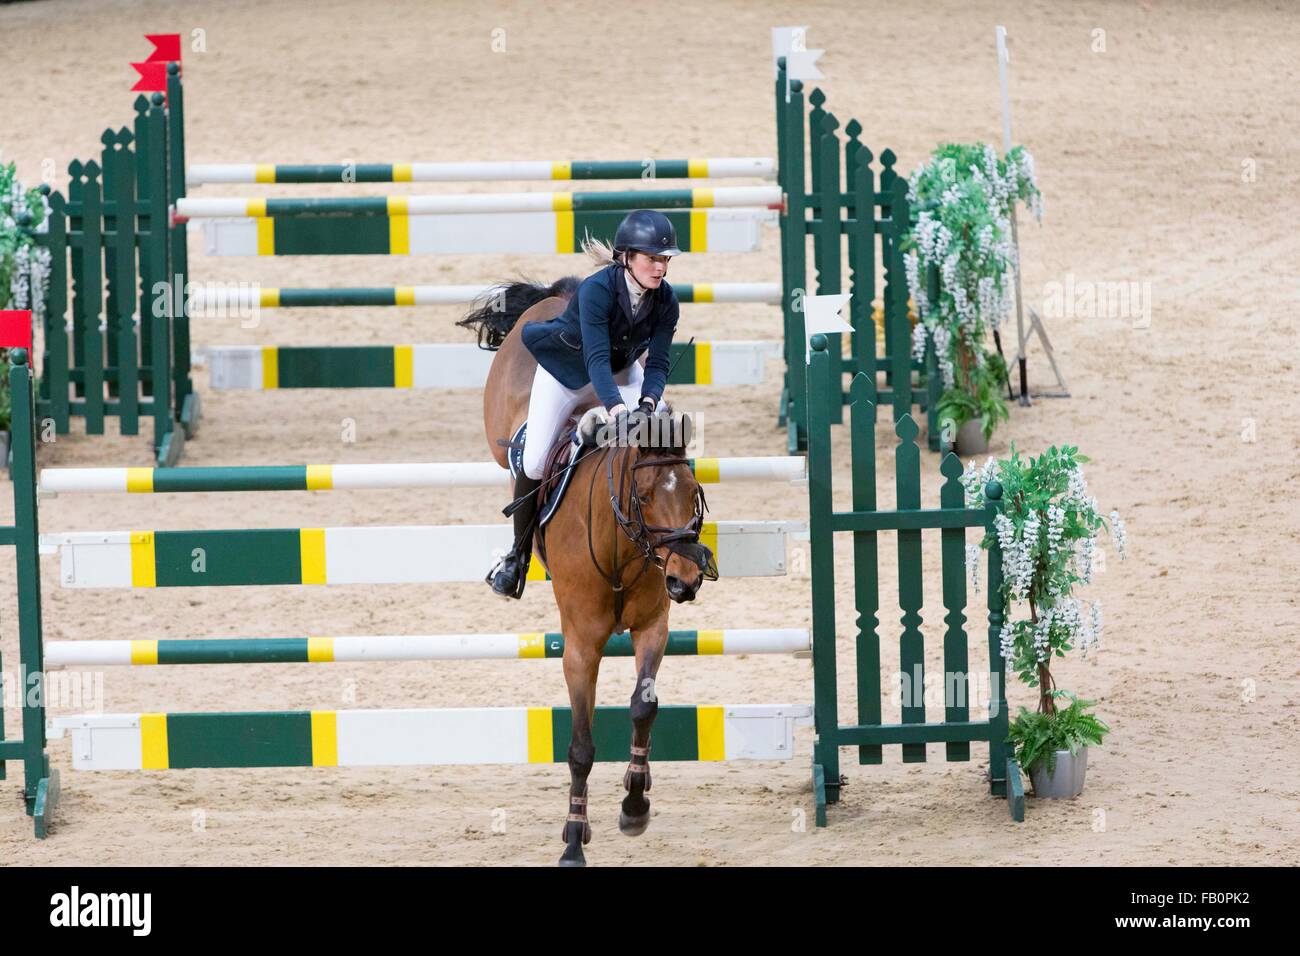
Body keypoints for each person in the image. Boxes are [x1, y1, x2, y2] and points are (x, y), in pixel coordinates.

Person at [487, 209, 681, 599]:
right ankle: (517, 556)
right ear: (626, 258)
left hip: (623, 374)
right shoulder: (596, 291)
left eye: (665, 260)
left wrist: (647, 402)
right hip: (566, 376)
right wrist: (616, 410)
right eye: (652, 259)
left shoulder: (666, 301)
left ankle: (675, 543)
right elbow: (594, 359)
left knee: (662, 433)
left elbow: (657, 363)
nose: (660, 268)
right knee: (537, 459)